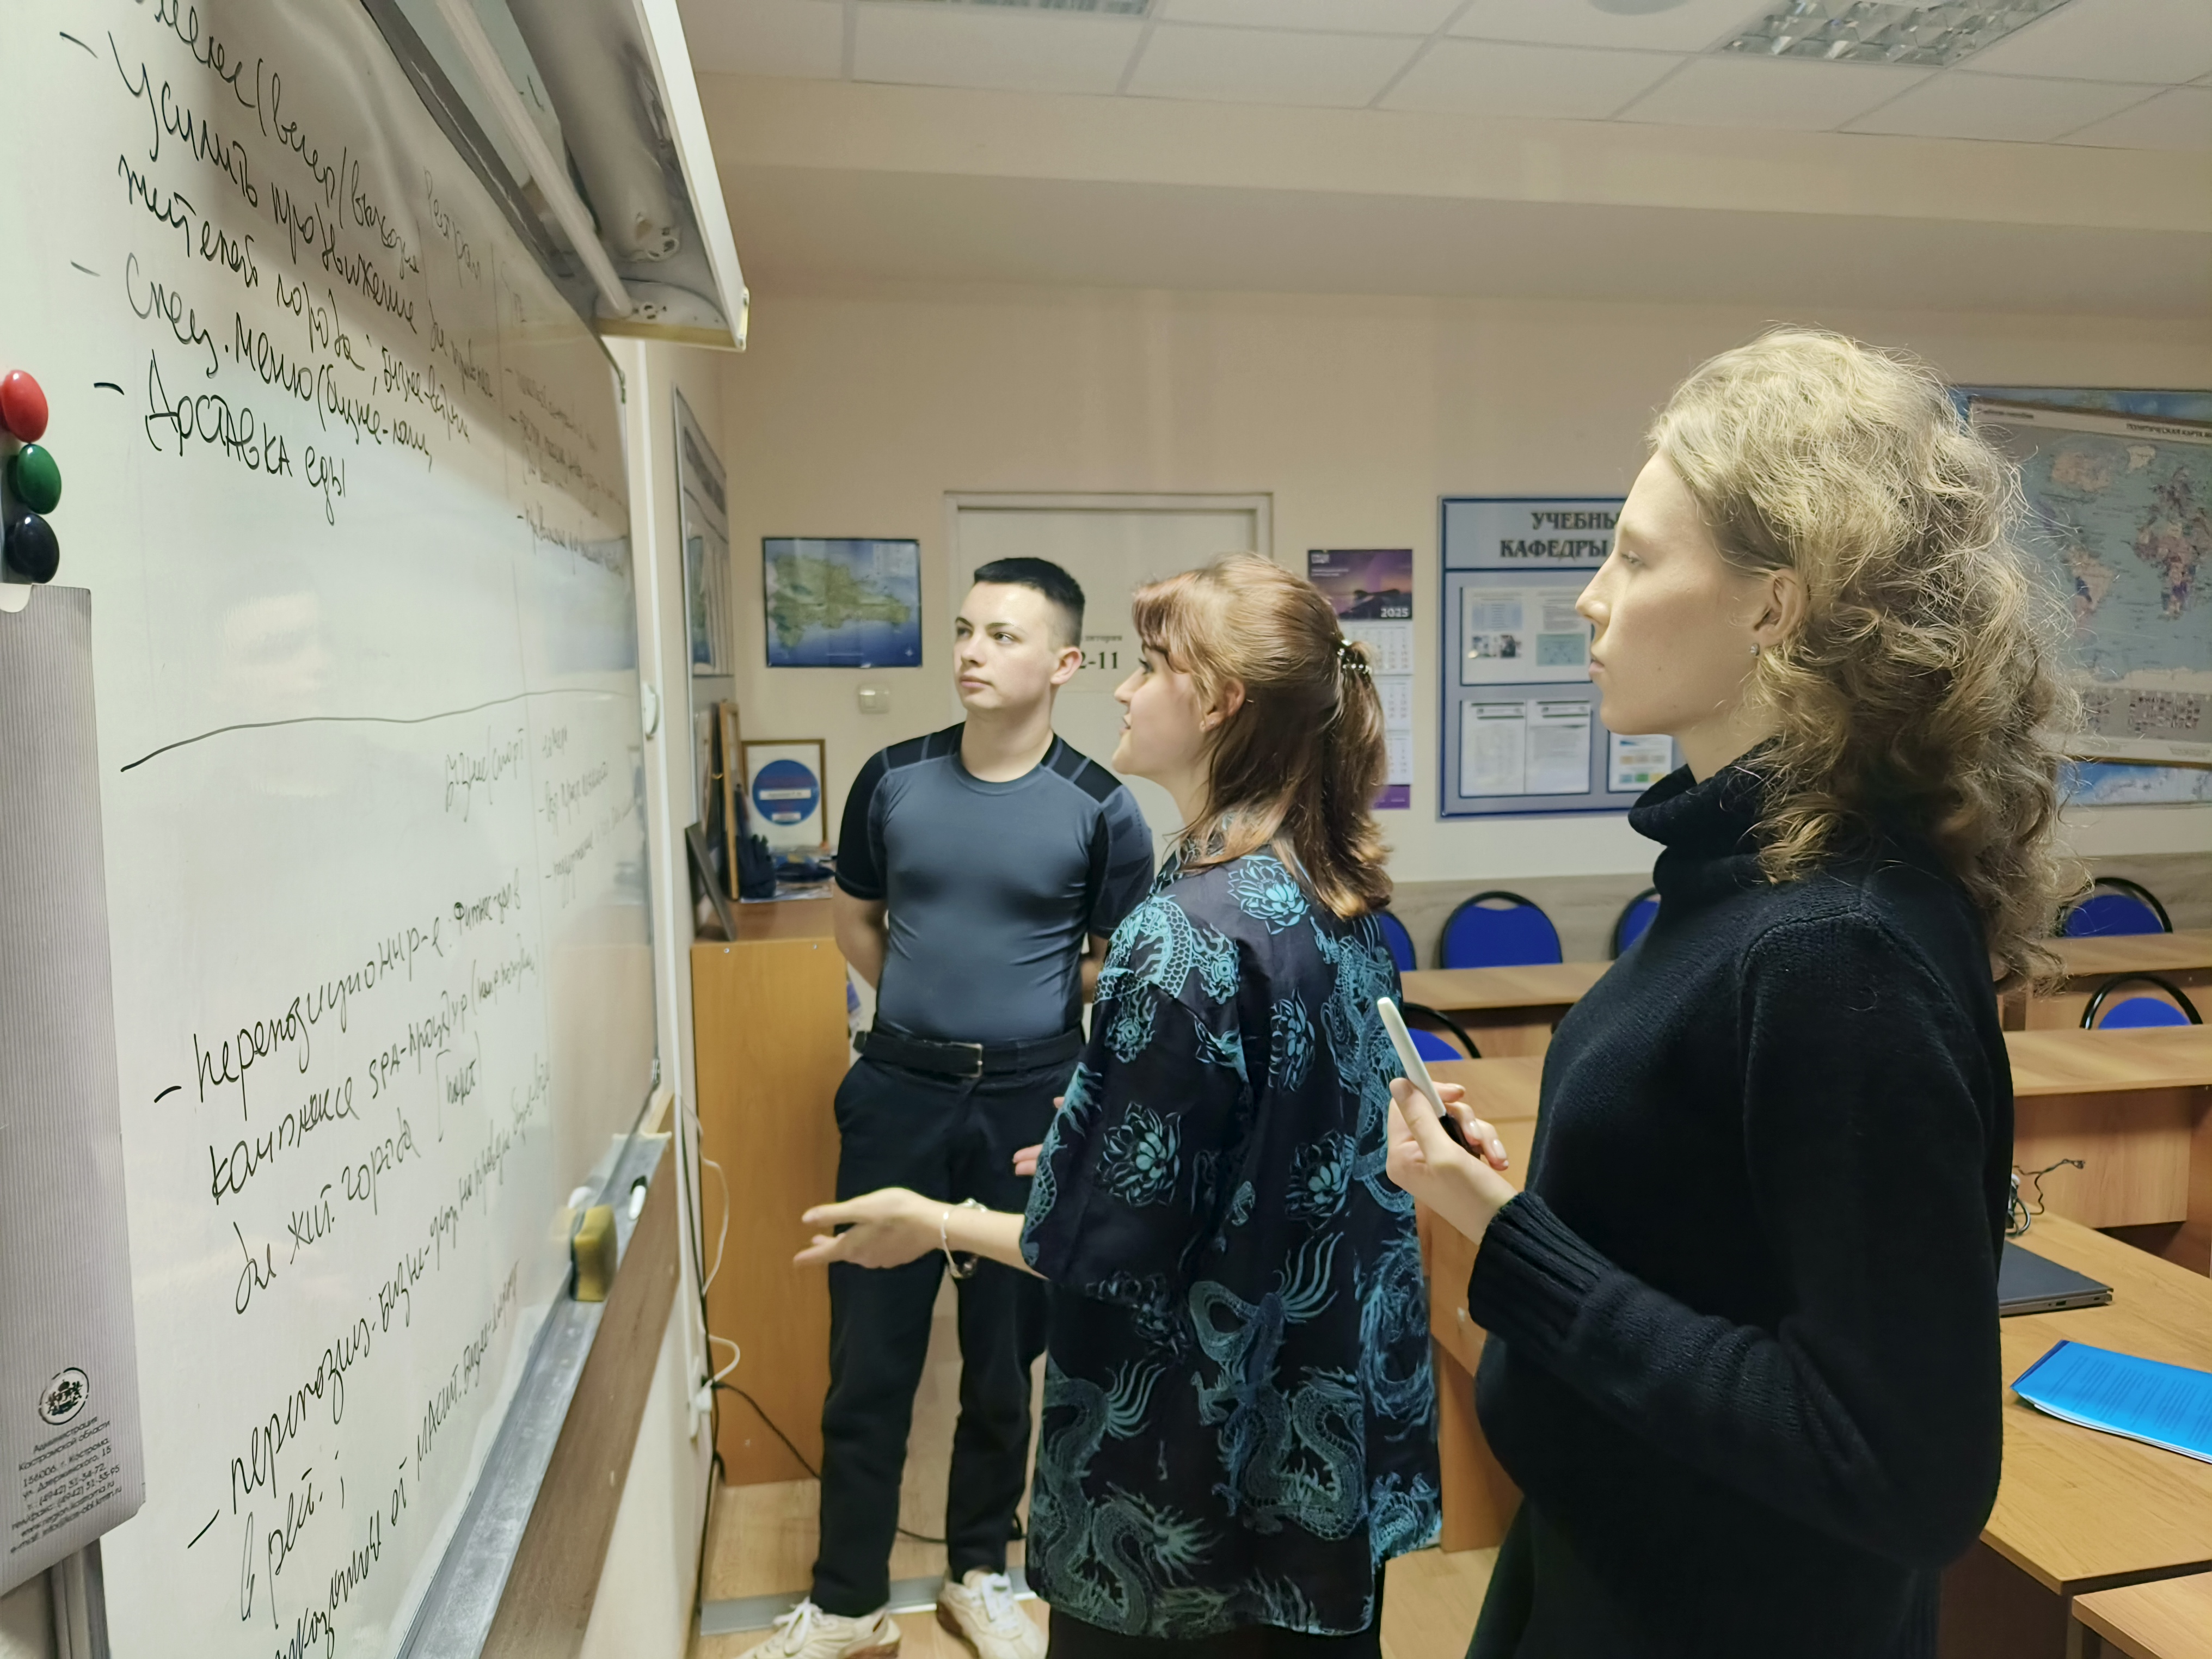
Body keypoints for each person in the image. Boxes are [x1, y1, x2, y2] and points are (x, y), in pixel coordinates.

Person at [1388, 329, 2074, 1659]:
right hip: (1620, 1570)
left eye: (1636, 558)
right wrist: (1505, 1208)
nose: (1590, 599)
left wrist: (1515, 1247)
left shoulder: (1837, 947)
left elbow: (1902, 1471)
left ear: (1775, 606)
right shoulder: (1747, 891)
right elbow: (1711, 1242)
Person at [797, 555, 1448, 1656]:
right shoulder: (1328, 890)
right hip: (1316, 1446)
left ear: (1218, 701)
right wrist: (1099, 1125)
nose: (1124, 687)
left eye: (1150, 665)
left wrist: (933, 1221)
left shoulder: (1181, 928)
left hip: (1182, 1485)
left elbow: (1106, 1243)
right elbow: (1273, 1138)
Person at [751, 558, 1155, 1659]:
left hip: (1035, 1098)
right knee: (868, 1355)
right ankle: (849, 1602)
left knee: (1004, 1359)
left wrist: (1024, 1000)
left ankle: (980, 1570)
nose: (973, 652)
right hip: (899, 1092)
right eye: (967, 630)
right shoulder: (893, 778)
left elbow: (1117, 960)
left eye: (1004, 636)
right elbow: (856, 920)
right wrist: (933, 1012)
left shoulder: (1100, 806)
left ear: (1064, 663)